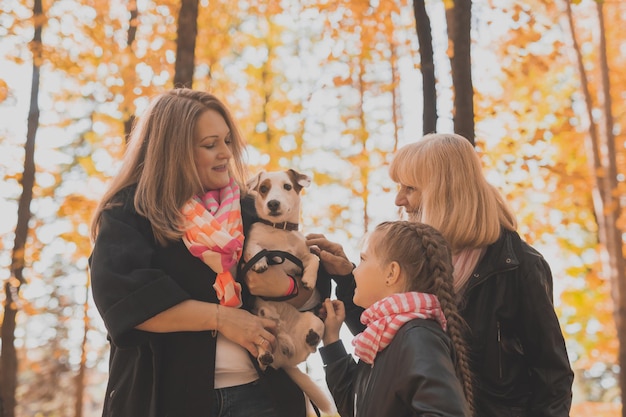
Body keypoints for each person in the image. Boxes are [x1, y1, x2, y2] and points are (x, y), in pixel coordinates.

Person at [88, 88, 362, 417]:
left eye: (227, 141)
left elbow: (311, 295)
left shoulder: (251, 208)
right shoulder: (129, 211)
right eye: (210, 144)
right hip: (165, 400)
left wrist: (289, 288)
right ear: (173, 151)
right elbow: (125, 300)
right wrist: (224, 319)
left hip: (263, 398)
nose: (225, 153)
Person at [309, 132, 574, 417]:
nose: (399, 199)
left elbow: (553, 379)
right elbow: (391, 348)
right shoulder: (419, 260)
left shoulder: (517, 266)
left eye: (409, 188)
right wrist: (348, 278)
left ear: (445, 191)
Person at [319, 221, 474, 417]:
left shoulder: (417, 337)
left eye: (363, 259)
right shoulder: (383, 336)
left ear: (391, 273)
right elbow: (355, 408)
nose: (355, 270)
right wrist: (331, 340)